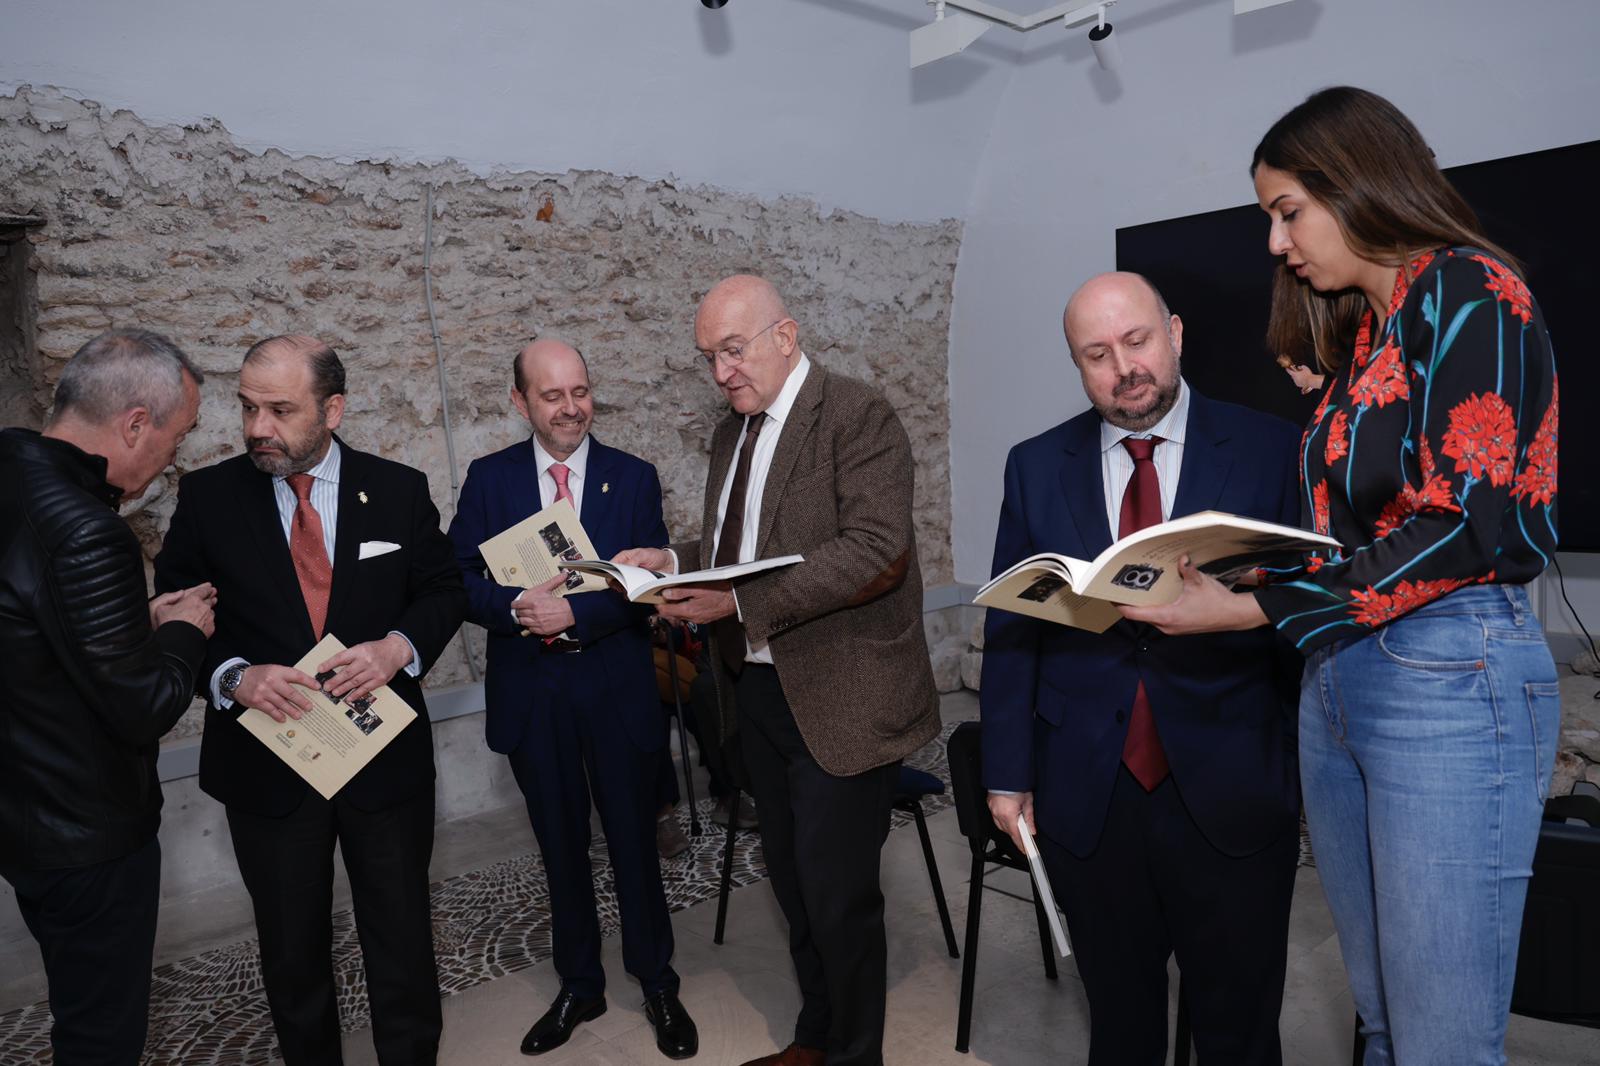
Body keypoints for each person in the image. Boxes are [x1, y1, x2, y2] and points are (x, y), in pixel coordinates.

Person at [1124, 87, 1560, 1066]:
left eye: (1288, 212)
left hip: (1448, 671)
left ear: (1356, 182)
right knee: (1383, 1022)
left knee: (1442, 1042)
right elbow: (1347, 535)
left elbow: (1462, 527)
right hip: (1337, 672)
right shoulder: (1364, 336)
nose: (1276, 243)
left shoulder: (1473, 291)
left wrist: (1252, 610)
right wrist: (1231, 570)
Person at [617, 274, 941, 1066]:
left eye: (733, 350)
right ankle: (815, 1038)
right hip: (758, 691)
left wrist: (736, 604)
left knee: (839, 897)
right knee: (793, 883)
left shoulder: (857, 415)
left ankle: (855, 1055)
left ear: (785, 337)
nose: (720, 372)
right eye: (708, 357)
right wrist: (673, 562)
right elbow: (741, 551)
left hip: (844, 693)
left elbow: (877, 553)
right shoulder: (733, 432)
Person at [982, 274, 1303, 1065]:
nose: (1124, 368)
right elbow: (1012, 629)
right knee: (1121, 1026)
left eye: (1137, 341)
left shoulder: (1272, 449)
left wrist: (1302, 769)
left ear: (1176, 334)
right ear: (1076, 364)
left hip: (1231, 781)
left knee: (1240, 1030)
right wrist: (1007, 774)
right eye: (1097, 355)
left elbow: (1309, 609)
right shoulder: (1034, 465)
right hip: (1088, 791)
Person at [153, 335, 465, 1066]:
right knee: (291, 952)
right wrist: (233, 677)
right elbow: (174, 611)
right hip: (267, 768)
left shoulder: (397, 489)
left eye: (280, 410)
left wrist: (397, 649)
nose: (258, 427)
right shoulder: (208, 498)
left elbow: (443, 590)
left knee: (401, 938)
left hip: (381, 763)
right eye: (248, 408)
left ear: (333, 409)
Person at [446, 339, 698, 1059]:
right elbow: (456, 578)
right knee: (560, 848)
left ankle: (657, 982)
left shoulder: (633, 476)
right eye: (552, 395)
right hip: (534, 689)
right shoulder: (490, 479)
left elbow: (647, 585)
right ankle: (580, 985)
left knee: (634, 844)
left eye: (580, 392)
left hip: (615, 684)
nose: (570, 408)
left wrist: (576, 613)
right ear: (519, 402)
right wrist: (516, 607)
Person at [0, 328, 214, 1066]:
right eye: (176, 438)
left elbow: (33, 633)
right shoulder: (88, 529)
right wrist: (182, 632)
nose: (172, 458)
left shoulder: (10, 473)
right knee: (100, 1034)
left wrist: (130, 625)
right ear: (134, 424)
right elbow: (144, 706)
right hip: (85, 832)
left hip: (21, 812)